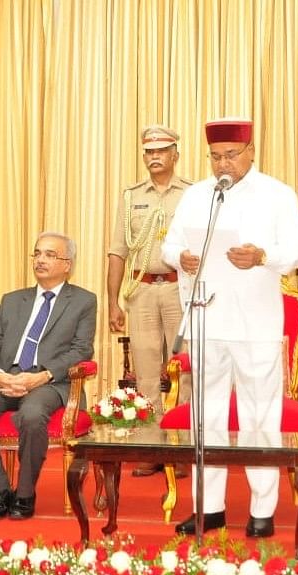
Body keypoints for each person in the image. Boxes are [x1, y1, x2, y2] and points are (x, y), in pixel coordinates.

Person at [161, 117, 298, 538]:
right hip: (207, 318)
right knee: (204, 417)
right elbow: (169, 244)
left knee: (258, 414)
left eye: (230, 155)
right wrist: (181, 258)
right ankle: (208, 507)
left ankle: (262, 510)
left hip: (255, 323)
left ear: (250, 153)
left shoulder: (277, 194)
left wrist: (263, 256)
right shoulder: (196, 195)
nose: (222, 164)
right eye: (215, 156)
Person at [0, 232, 96, 520]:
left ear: (67, 264)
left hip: (49, 382)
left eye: (49, 254)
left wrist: (43, 376)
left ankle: (24, 493)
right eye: (37, 253)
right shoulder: (12, 300)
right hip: (7, 378)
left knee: (33, 414)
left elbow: (81, 351)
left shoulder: (83, 301)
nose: (41, 260)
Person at [107, 125, 192, 478]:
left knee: (184, 370)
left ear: (175, 154)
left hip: (179, 289)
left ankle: (184, 445)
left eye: (162, 150)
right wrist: (113, 302)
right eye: (149, 152)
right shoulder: (131, 197)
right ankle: (151, 446)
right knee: (144, 371)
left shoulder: (192, 194)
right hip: (140, 289)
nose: (154, 157)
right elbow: (117, 251)